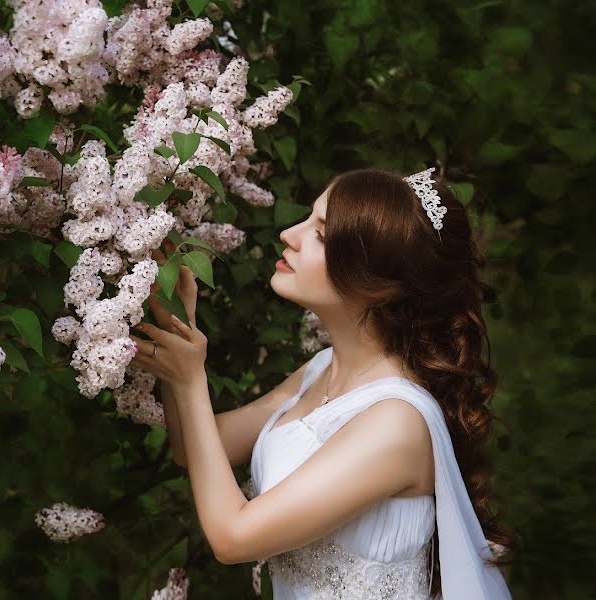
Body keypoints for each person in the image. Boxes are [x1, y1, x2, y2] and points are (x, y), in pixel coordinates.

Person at [128, 166, 516, 599]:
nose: (290, 234)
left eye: (321, 234)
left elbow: (232, 537)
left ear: (380, 286)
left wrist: (190, 378)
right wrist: (179, 325)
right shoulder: (320, 370)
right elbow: (197, 448)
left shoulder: (398, 423)